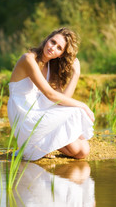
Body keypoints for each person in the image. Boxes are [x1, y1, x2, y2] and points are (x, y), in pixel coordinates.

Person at [7, 27, 94, 161]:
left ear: (60, 55)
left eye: (59, 48)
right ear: (47, 39)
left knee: (82, 151)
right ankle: (34, 145)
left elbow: (61, 100)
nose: (53, 48)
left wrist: (76, 74)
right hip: (24, 116)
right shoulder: (28, 59)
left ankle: (41, 146)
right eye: (53, 42)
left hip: (38, 113)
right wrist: (83, 105)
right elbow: (50, 95)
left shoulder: (50, 68)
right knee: (76, 111)